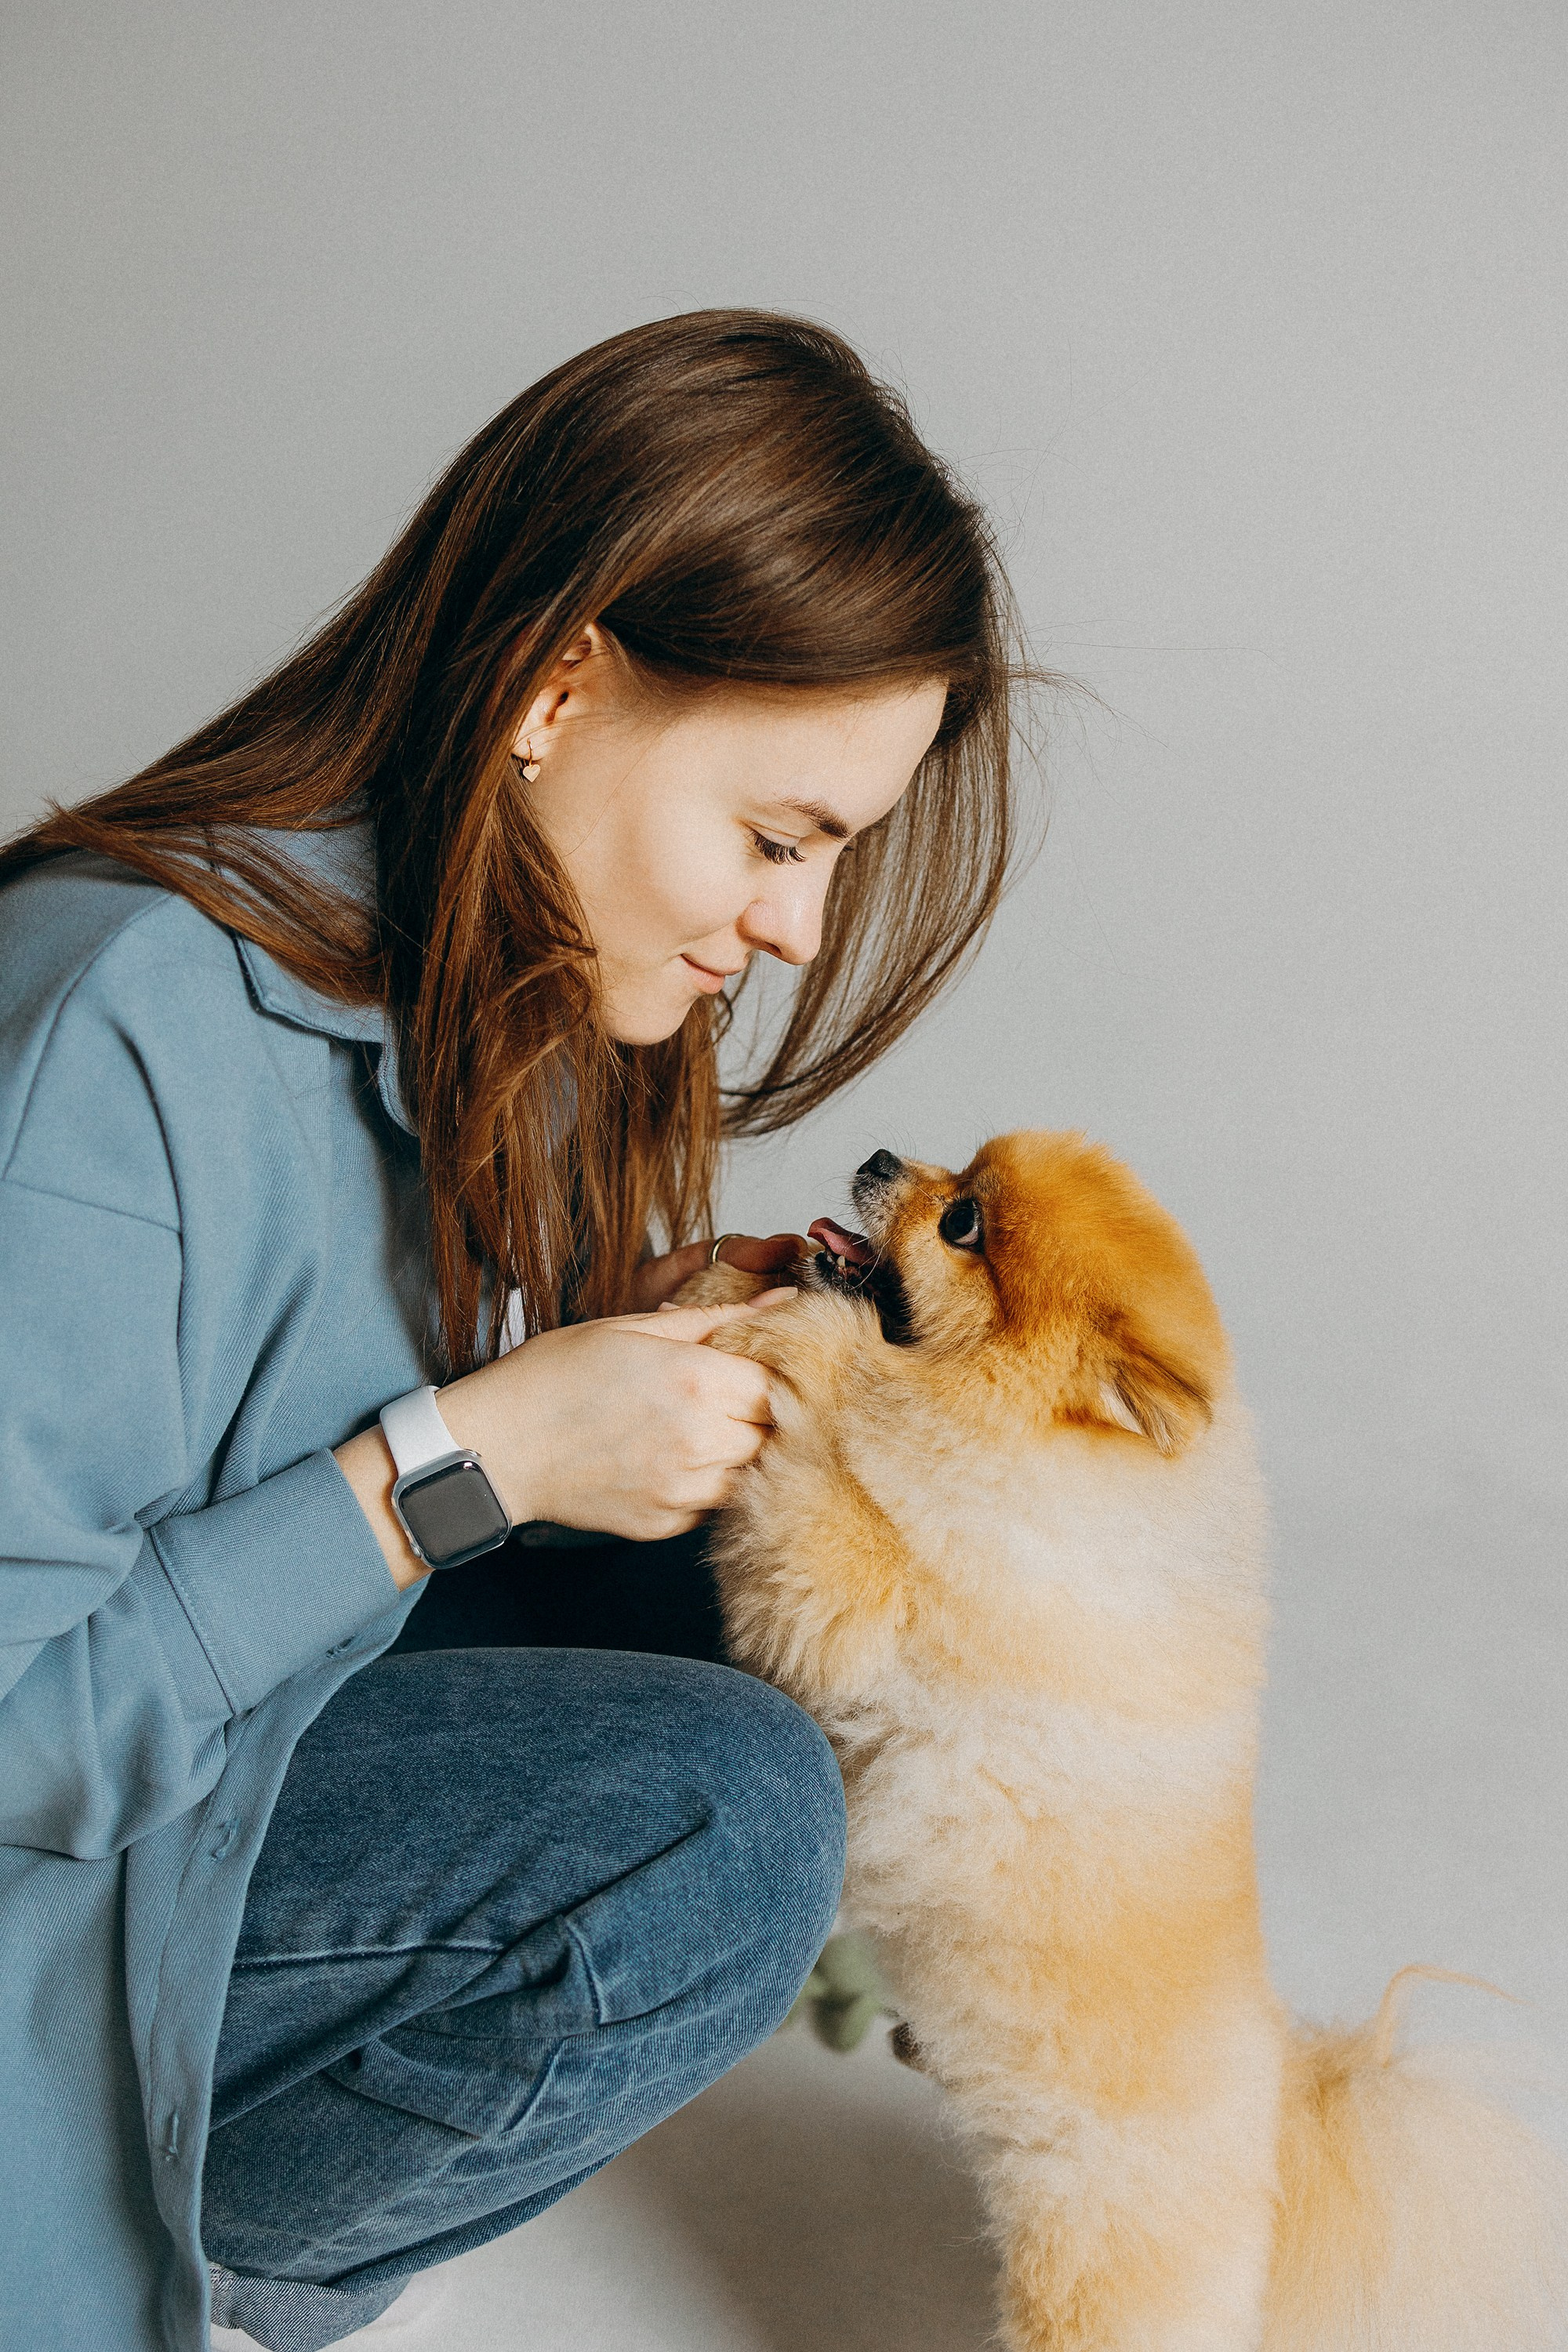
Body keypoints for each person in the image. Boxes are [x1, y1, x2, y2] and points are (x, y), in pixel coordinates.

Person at [0, 309, 1029, 2352]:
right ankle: (179, 2251)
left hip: (229, 1751)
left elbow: (271, 1442)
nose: (801, 932)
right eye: (778, 840)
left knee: (768, 1578)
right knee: (720, 1818)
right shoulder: (111, 1017)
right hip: (52, 1859)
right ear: (562, 685)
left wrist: (624, 1351)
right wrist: (465, 1462)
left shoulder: (512, 988)